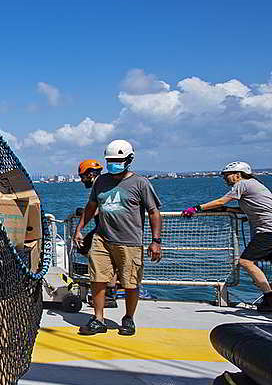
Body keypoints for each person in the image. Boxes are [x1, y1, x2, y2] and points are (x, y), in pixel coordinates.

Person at [73, 139, 163, 336]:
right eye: (110, 159)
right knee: (97, 278)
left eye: (118, 159)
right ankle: (98, 319)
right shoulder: (101, 182)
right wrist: (79, 228)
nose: (113, 163)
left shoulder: (140, 183)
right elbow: (91, 207)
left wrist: (156, 241)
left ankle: (128, 318)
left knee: (131, 283)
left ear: (129, 160)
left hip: (129, 241)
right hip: (102, 239)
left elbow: (154, 212)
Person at [182, 161, 272, 312]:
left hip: (267, 231)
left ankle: (270, 298)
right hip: (267, 230)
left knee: (245, 262)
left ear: (238, 174)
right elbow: (245, 210)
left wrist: (197, 208)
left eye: (227, 175)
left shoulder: (243, 184)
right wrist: (221, 210)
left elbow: (221, 200)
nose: (225, 179)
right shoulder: (253, 185)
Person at [77, 159, 118, 308]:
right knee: (85, 249)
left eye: (82, 176)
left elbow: (101, 206)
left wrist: (85, 217)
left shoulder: (100, 185)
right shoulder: (104, 183)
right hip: (105, 228)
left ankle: (108, 293)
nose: (82, 180)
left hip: (106, 229)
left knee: (90, 251)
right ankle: (109, 291)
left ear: (90, 174)